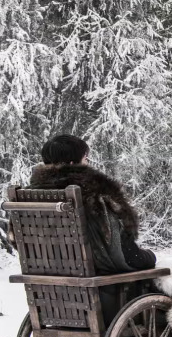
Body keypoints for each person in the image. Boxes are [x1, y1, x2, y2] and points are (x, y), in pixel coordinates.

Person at [27, 134, 156, 321]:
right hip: (105, 296)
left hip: (51, 297)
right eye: (85, 158)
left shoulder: (31, 199)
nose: (88, 162)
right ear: (73, 163)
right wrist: (148, 257)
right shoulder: (92, 194)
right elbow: (121, 252)